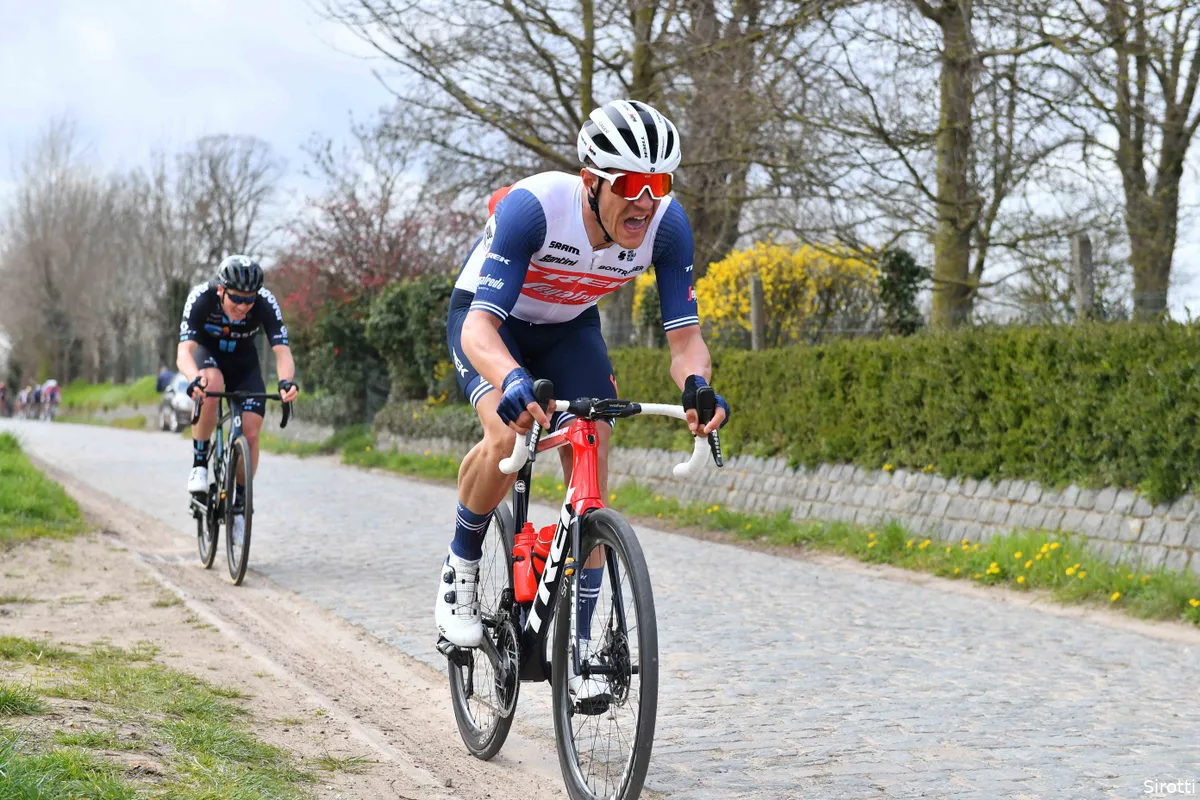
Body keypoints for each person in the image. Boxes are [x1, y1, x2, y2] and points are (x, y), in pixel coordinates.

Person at [436, 100, 730, 702]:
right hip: (492, 325)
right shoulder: (535, 208)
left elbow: (686, 341)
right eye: (630, 185)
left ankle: (584, 635)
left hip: (570, 329)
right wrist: (511, 379)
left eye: (659, 184)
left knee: (592, 444)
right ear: (592, 181)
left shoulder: (668, 227)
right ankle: (461, 566)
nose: (646, 202)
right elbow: (478, 332)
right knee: (502, 434)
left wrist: (697, 386)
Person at [176, 255, 300, 547]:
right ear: (221, 291)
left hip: (244, 365)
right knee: (211, 383)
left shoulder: (265, 302)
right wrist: (194, 378)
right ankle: (200, 464)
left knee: (252, 430)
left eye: (249, 300)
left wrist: (285, 383)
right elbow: (184, 351)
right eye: (236, 299)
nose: (244, 306)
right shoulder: (202, 298)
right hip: (207, 358)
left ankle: (241, 505)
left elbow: (283, 352)